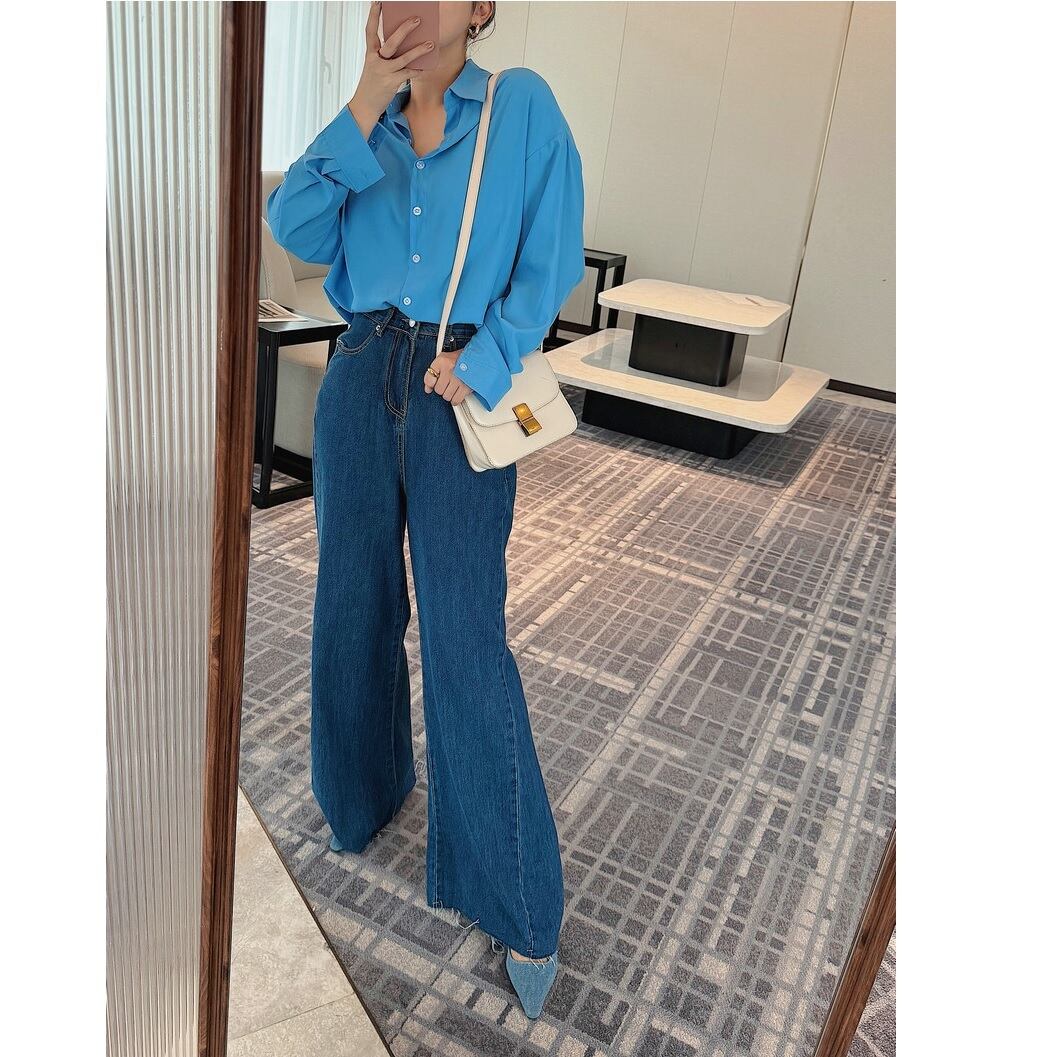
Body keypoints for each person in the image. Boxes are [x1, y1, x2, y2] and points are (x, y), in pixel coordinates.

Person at [266, 1, 585, 1020]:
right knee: (351, 607)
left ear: (481, 6)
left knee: (463, 633)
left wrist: (485, 360)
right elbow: (293, 228)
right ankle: (359, 795)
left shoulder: (519, 107)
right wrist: (366, 96)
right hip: (361, 370)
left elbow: (549, 257)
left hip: (457, 385)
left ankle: (515, 896)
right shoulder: (366, 122)